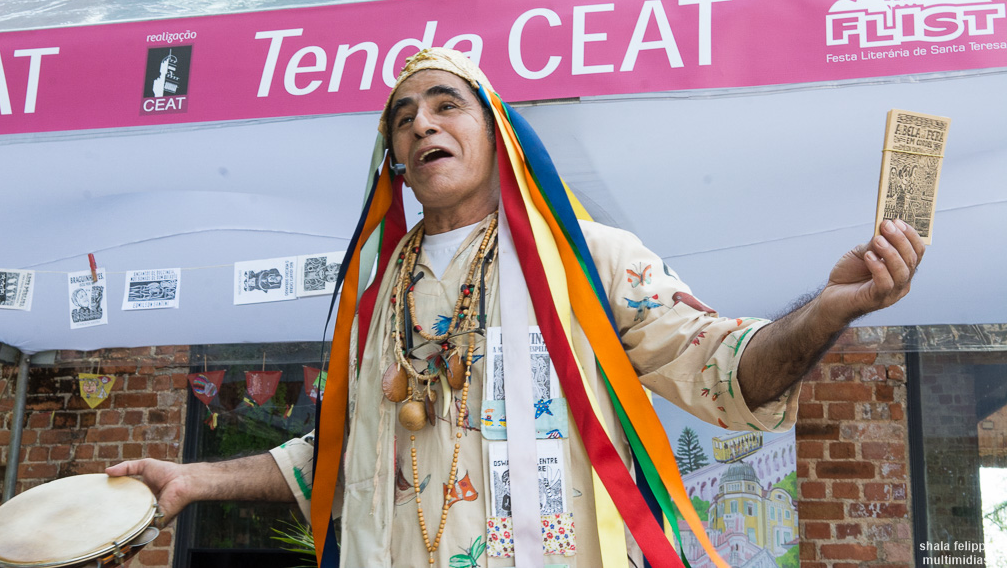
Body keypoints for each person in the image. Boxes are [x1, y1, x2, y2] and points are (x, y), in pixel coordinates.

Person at [108, 48, 924, 567]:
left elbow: (722, 366)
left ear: (497, 129)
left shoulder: (588, 259)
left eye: (444, 103)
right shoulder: (375, 301)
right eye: (402, 118)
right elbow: (343, 455)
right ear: (394, 159)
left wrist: (827, 309)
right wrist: (193, 477)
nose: (420, 121)